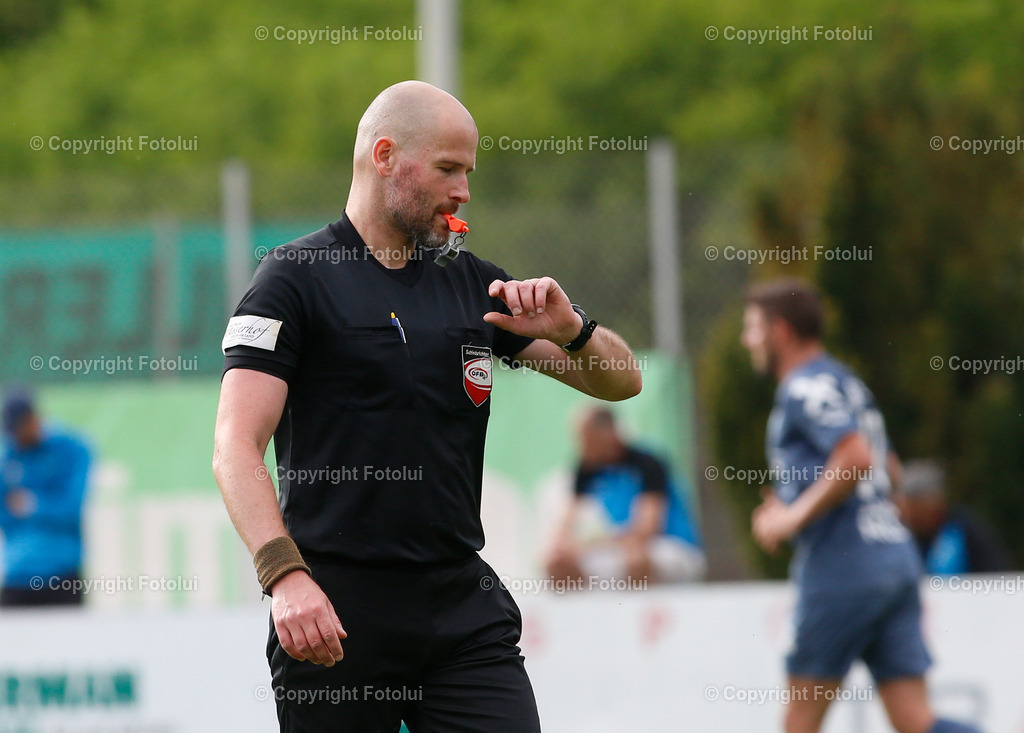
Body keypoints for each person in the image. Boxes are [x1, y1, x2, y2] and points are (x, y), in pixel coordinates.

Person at [212, 80, 642, 733]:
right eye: (448, 168)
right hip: (336, 609)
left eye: (468, 171)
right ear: (384, 155)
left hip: (460, 607)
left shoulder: (474, 284)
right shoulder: (292, 279)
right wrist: (284, 578)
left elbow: (621, 382)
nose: (464, 190)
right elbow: (235, 446)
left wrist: (573, 328)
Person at [740, 279, 982, 733]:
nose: (745, 339)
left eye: (752, 327)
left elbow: (854, 456)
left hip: (841, 570)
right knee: (915, 721)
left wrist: (791, 517)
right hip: (893, 559)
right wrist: (801, 498)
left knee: (799, 723)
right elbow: (888, 469)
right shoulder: (846, 382)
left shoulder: (803, 388)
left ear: (781, 331)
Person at [545, 406, 704, 585]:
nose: (583, 447)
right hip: (619, 545)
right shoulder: (587, 469)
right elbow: (566, 524)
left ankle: (639, 610)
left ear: (607, 434)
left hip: (670, 546)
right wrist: (562, 547)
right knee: (557, 565)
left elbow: (646, 529)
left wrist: (587, 546)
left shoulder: (647, 463)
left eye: (588, 440)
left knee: (636, 558)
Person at [0, 388, 92, 608]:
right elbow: (5, 515)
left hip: (62, 575)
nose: (15, 437)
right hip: (18, 576)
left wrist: (34, 506)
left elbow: (71, 509)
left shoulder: (71, 449)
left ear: (33, 420)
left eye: (19, 429)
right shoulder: (8, 456)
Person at [896, 460, 1010, 575]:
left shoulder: (965, 530)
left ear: (935, 502)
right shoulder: (900, 536)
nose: (907, 514)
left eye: (915, 505)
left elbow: (997, 574)